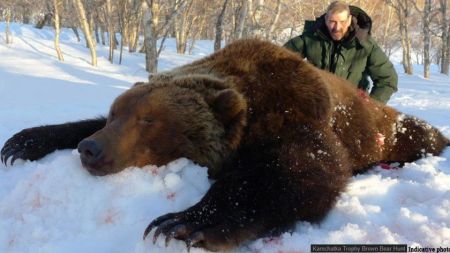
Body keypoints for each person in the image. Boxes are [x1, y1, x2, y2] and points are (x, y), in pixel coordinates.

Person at [284, 1, 397, 104]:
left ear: (349, 20)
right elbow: (280, 61)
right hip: (315, 105)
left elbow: (388, 79)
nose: (337, 28)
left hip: (351, 108)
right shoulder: (310, 38)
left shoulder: (366, 44)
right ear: (325, 20)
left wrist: (371, 107)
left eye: (342, 22)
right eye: (332, 22)